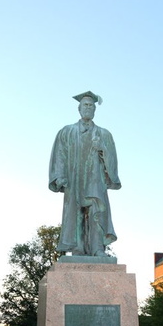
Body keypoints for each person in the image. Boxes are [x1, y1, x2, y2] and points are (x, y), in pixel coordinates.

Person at [48, 91, 121, 256]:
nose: (88, 108)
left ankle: (97, 248)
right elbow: (59, 154)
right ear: (79, 109)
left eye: (91, 105)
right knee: (76, 214)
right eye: (85, 105)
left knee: (96, 212)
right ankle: (77, 248)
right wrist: (60, 176)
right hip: (74, 180)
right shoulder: (67, 131)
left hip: (95, 180)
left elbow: (113, 160)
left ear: (95, 110)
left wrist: (102, 148)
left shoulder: (104, 134)